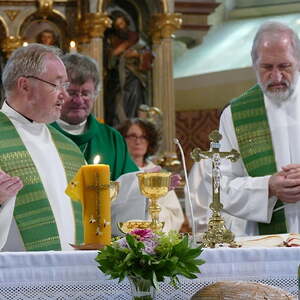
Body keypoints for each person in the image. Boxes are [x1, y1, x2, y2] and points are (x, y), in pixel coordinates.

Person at [189, 21, 300, 237]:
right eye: (267, 67)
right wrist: (268, 186)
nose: (276, 77)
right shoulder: (236, 115)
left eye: (284, 66)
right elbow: (220, 187)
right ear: (253, 64)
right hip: (267, 244)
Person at [0, 43, 86, 251]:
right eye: (57, 85)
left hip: (73, 276)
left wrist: (141, 189)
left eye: (65, 86)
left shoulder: (69, 149)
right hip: (14, 279)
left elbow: (98, 211)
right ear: (25, 86)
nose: (64, 95)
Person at [51, 53, 138, 181]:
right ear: (57, 92)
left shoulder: (111, 138)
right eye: (72, 93)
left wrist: (145, 182)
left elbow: (129, 186)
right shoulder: (41, 133)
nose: (79, 100)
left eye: (85, 93)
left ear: (95, 95)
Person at [117, 118, 184, 232]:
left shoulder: (159, 174)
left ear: (149, 141)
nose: (138, 141)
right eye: (132, 136)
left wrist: (151, 213)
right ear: (122, 139)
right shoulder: (117, 169)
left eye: (143, 137)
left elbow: (175, 215)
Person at [104, 10, 153, 126]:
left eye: (122, 23)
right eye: (118, 25)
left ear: (126, 22)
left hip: (135, 76)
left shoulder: (135, 37)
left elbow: (150, 55)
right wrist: (118, 52)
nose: (121, 27)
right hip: (117, 78)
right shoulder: (112, 40)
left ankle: (135, 125)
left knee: (135, 100)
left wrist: (137, 55)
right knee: (118, 103)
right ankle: (122, 125)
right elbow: (108, 60)